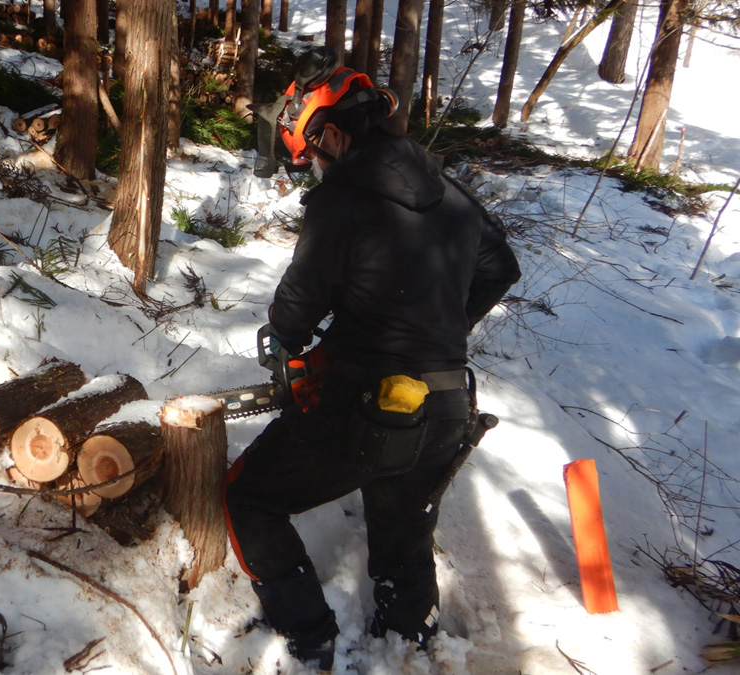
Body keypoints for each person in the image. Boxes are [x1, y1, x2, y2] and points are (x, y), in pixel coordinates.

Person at [224, 47, 521, 672]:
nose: (314, 168)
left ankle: (305, 636)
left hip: (367, 405)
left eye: (312, 154)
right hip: (446, 403)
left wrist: (284, 341)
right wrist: (438, 332)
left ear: (331, 132)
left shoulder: (344, 198)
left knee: (248, 497)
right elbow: (501, 266)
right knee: (402, 526)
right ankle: (405, 643)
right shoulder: (452, 193)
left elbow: (300, 299)